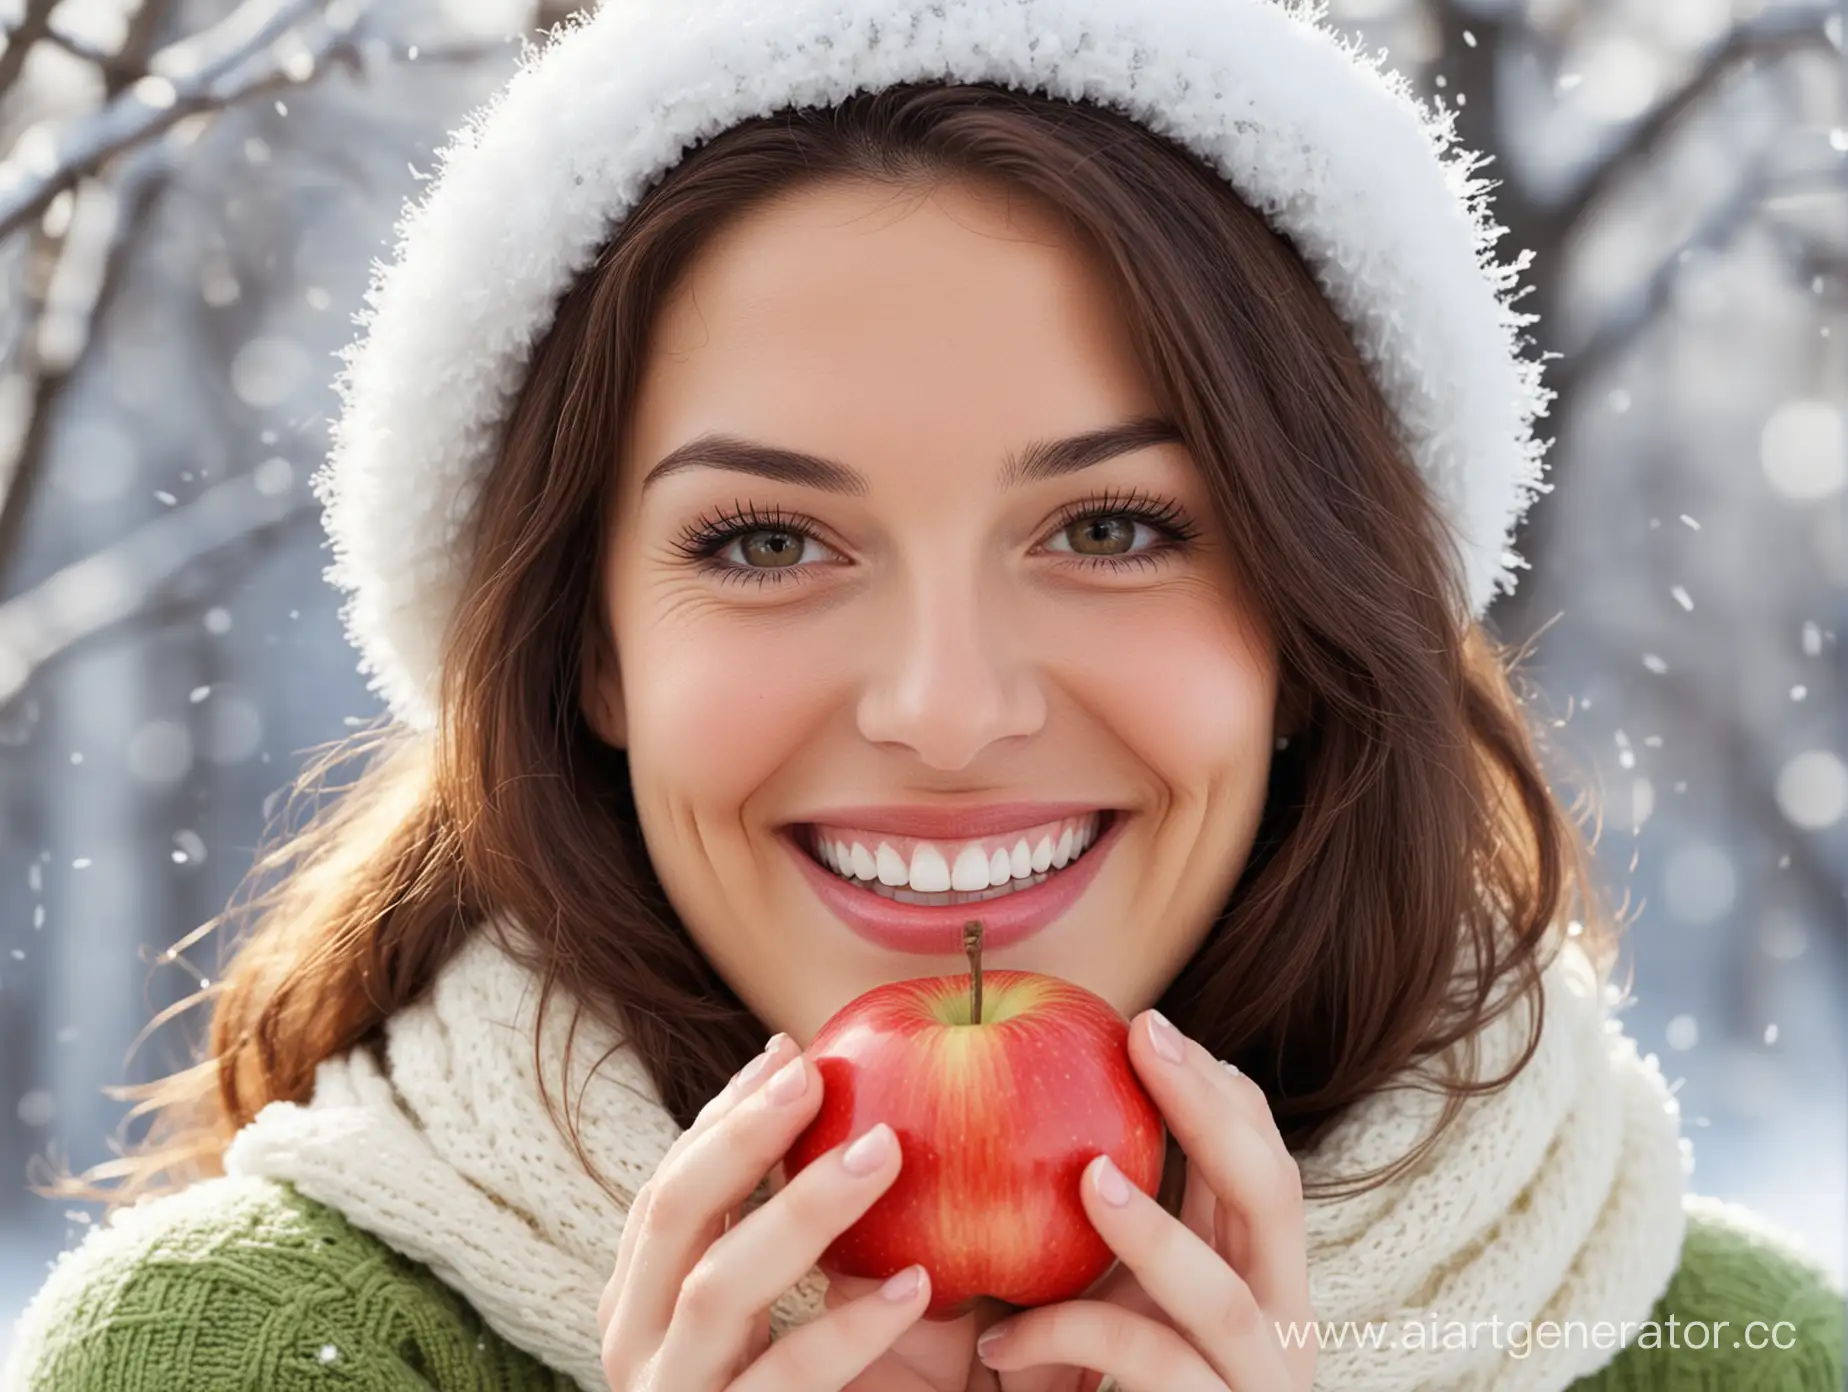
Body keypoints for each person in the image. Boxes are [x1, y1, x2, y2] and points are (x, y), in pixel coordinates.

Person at [5, 1, 1842, 1389]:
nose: (945, 711)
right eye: (765, 544)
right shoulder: (228, 1354)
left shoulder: (1734, 1354)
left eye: (1116, 524)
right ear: (588, 647)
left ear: (1309, 615)